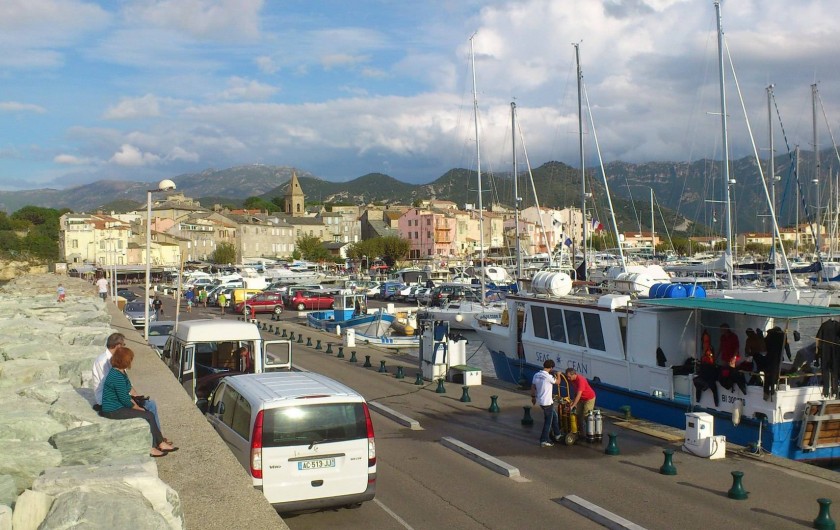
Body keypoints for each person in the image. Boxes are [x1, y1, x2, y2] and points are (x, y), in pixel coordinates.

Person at [100, 346, 176, 457]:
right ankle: (153, 447)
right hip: (113, 410)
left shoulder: (119, 372)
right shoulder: (117, 377)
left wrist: (139, 399)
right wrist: (138, 408)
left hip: (118, 406)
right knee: (148, 415)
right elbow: (125, 400)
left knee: (149, 408)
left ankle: (159, 442)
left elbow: (128, 389)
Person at [91, 333, 163, 432]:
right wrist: (135, 405)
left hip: (118, 396)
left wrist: (137, 396)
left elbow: (126, 384)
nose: (124, 347)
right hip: (109, 401)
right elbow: (112, 386)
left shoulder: (117, 359)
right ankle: (157, 439)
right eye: (124, 344)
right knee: (148, 408)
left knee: (150, 403)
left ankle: (158, 436)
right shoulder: (102, 361)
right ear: (118, 346)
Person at [531, 360, 561, 447]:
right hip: (547, 402)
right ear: (551, 368)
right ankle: (544, 440)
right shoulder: (548, 376)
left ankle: (557, 434)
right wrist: (558, 374)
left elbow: (533, 386)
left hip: (540, 401)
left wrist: (533, 397)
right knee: (548, 422)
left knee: (554, 416)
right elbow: (558, 382)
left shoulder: (536, 375)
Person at [565, 367, 596, 438]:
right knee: (577, 414)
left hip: (589, 398)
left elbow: (579, 394)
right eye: (567, 377)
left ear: (574, 374)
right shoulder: (572, 380)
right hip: (581, 399)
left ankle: (591, 432)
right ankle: (581, 433)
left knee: (586, 415)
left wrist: (573, 405)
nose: (568, 379)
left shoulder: (581, 380)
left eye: (569, 377)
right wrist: (573, 402)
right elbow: (576, 392)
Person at [693, 329, 719, 406]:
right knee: (698, 383)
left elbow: (711, 360)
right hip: (705, 369)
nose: (706, 343)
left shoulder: (709, 350)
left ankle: (716, 403)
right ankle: (698, 400)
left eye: (707, 341)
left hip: (709, 369)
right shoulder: (705, 349)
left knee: (713, 388)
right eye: (705, 341)